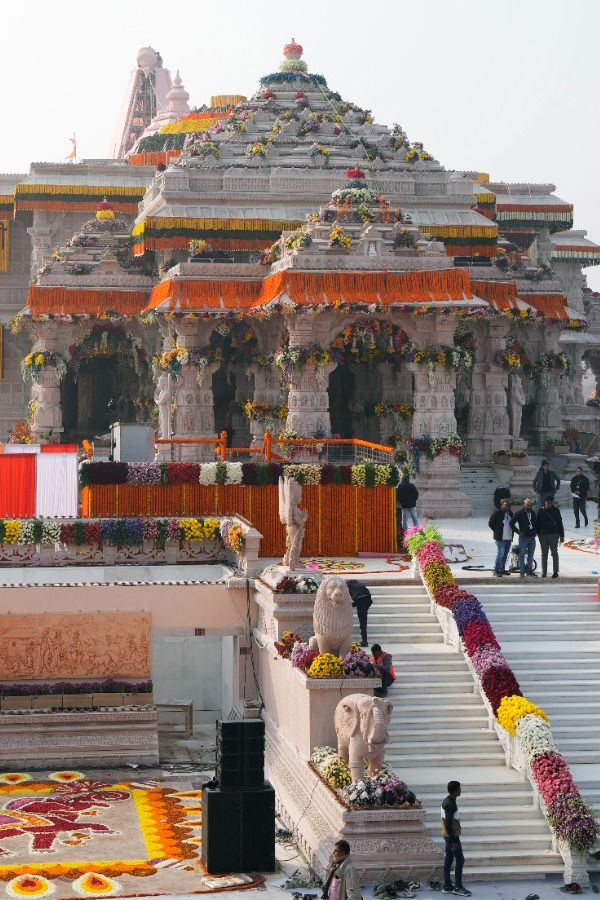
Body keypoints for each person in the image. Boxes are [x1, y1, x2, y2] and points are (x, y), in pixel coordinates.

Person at [441, 781, 470, 897]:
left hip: (448, 836)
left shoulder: (448, 801)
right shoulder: (450, 804)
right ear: (455, 791)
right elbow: (448, 824)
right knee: (460, 860)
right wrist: (454, 841)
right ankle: (458, 887)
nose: (460, 790)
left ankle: (447, 885)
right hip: (452, 837)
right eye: (459, 788)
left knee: (448, 859)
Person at [537, 496, 564, 579]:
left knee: (554, 553)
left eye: (550, 503)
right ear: (545, 502)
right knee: (544, 554)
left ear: (552, 503)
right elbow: (537, 523)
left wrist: (562, 535)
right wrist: (537, 533)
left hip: (554, 535)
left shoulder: (556, 510)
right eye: (547, 503)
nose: (549, 504)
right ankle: (544, 572)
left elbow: (560, 523)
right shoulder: (540, 511)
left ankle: (555, 572)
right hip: (543, 535)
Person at [488, 497, 514, 576]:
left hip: (508, 537)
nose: (508, 506)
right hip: (500, 538)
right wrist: (496, 531)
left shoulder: (510, 513)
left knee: (505, 554)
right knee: (500, 553)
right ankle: (496, 569)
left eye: (509, 504)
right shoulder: (497, 513)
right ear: (502, 504)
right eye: (506, 504)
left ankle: (502, 569)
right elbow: (490, 523)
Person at [512, 498, 538, 578]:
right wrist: (518, 531)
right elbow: (511, 523)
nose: (529, 507)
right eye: (527, 505)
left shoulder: (533, 513)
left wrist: (535, 531)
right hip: (524, 538)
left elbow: (535, 523)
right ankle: (522, 571)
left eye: (530, 505)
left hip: (532, 538)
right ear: (524, 505)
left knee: (531, 555)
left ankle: (529, 571)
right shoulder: (519, 513)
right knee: (522, 555)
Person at [346, 579, 372, 647]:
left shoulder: (349, 587)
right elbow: (368, 599)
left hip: (360, 602)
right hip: (368, 601)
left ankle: (365, 641)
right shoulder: (361, 586)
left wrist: (349, 604)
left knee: (362, 623)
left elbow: (357, 600)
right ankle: (364, 640)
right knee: (363, 621)